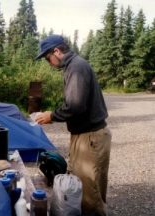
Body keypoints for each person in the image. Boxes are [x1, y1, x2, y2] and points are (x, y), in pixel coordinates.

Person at [35, 35, 112, 216]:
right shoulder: (75, 65)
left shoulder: (76, 67)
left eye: (48, 58)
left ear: (57, 51)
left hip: (90, 138)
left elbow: (76, 105)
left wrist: (51, 116)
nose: (49, 63)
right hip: (89, 136)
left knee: (89, 195)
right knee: (89, 189)